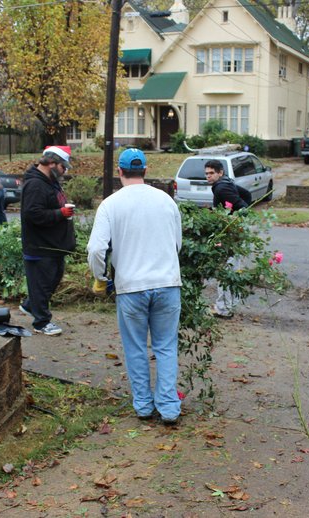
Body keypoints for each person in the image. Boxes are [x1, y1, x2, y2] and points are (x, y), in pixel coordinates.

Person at [87, 148, 183, 425]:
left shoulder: (110, 205)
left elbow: (96, 249)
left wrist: (100, 277)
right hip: (167, 283)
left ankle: (143, 406)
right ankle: (169, 408)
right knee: (166, 347)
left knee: (136, 348)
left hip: (131, 286)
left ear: (119, 172)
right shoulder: (166, 201)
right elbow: (177, 243)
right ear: (146, 170)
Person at [19, 146, 76, 336]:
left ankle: (30, 305)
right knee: (42, 283)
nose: (64, 171)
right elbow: (32, 214)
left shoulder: (49, 182)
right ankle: (41, 322)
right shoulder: (35, 185)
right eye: (62, 167)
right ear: (51, 163)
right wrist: (60, 213)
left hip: (53, 244)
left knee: (53, 277)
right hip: (40, 245)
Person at [205, 159, 249, 318]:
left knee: (225, 272)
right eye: (206, 173)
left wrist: (230, 220)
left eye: (211, 173)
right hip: (235, 233)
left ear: (220, 173)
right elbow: (247, 194)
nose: (208, 176)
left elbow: (243, 207)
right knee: (232, 269)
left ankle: (224, 309)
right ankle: (229, 306)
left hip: (230, 234)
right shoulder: (226, 183)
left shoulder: (221, 188)